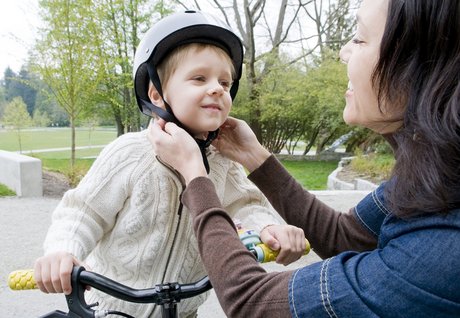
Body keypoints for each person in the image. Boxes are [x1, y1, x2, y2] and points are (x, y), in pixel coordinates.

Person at [149, 0, 460, 317]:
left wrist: (194, 174)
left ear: (420, 64)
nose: (343, 53)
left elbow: (252, 302)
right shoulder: (438, 176)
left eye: (360, 38)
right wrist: (256, 157)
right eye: (198, 79)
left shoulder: (442, 252)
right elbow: (345, 237)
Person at [34, 11, 307, 318]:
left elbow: (247, 204)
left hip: (183, 311)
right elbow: (82, 213)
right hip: (114, 310)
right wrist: (62, 252)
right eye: (199, 78)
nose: (217, 88)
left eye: (225, 82)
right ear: (157, 95)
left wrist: (269, 228)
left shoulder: (222, 164)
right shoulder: (128, 154)